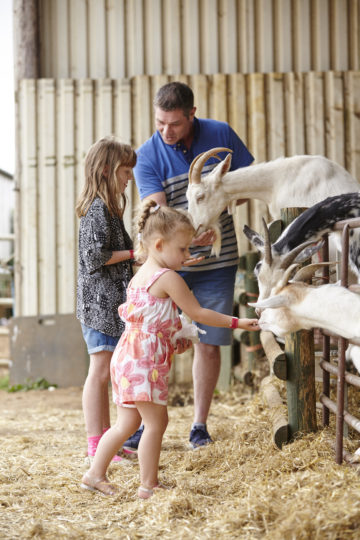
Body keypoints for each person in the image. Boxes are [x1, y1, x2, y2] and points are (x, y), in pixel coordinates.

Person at [81, 200, 259, 497]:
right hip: (143, 360)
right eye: (183, 249)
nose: (188, 255)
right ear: (160, 244)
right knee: (157, 421)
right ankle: (148, 485)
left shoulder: (139, 276)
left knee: (126, 423)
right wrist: (238, 322)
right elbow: (199, 313)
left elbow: (151, 323)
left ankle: (94, 474)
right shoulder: (168, 278)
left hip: (129, 355)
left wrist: (174, 340)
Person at [130, 81, 254, 450]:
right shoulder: (148, 155)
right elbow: (155, 211)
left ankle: (199, 426)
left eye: (174, 124)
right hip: (170, 267)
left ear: (192, 115)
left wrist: (213, 215)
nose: (166, 132)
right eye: (159, 123)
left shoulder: (220, 134)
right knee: (153, 343)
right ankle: (141, 424)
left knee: (210, 344)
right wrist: (186, 234)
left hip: (218, 260)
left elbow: (245, 184)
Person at [76, 136, 137, 464]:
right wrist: (133, 253)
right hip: (98, 305)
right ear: (105, 170)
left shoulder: (110, 208)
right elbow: (93, 257)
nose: (130, 177)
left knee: (106, 371)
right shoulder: (98, 209)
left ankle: (106, 443)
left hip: (110, 304)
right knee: (99, 372)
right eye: (125, 170)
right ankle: (95, 446)